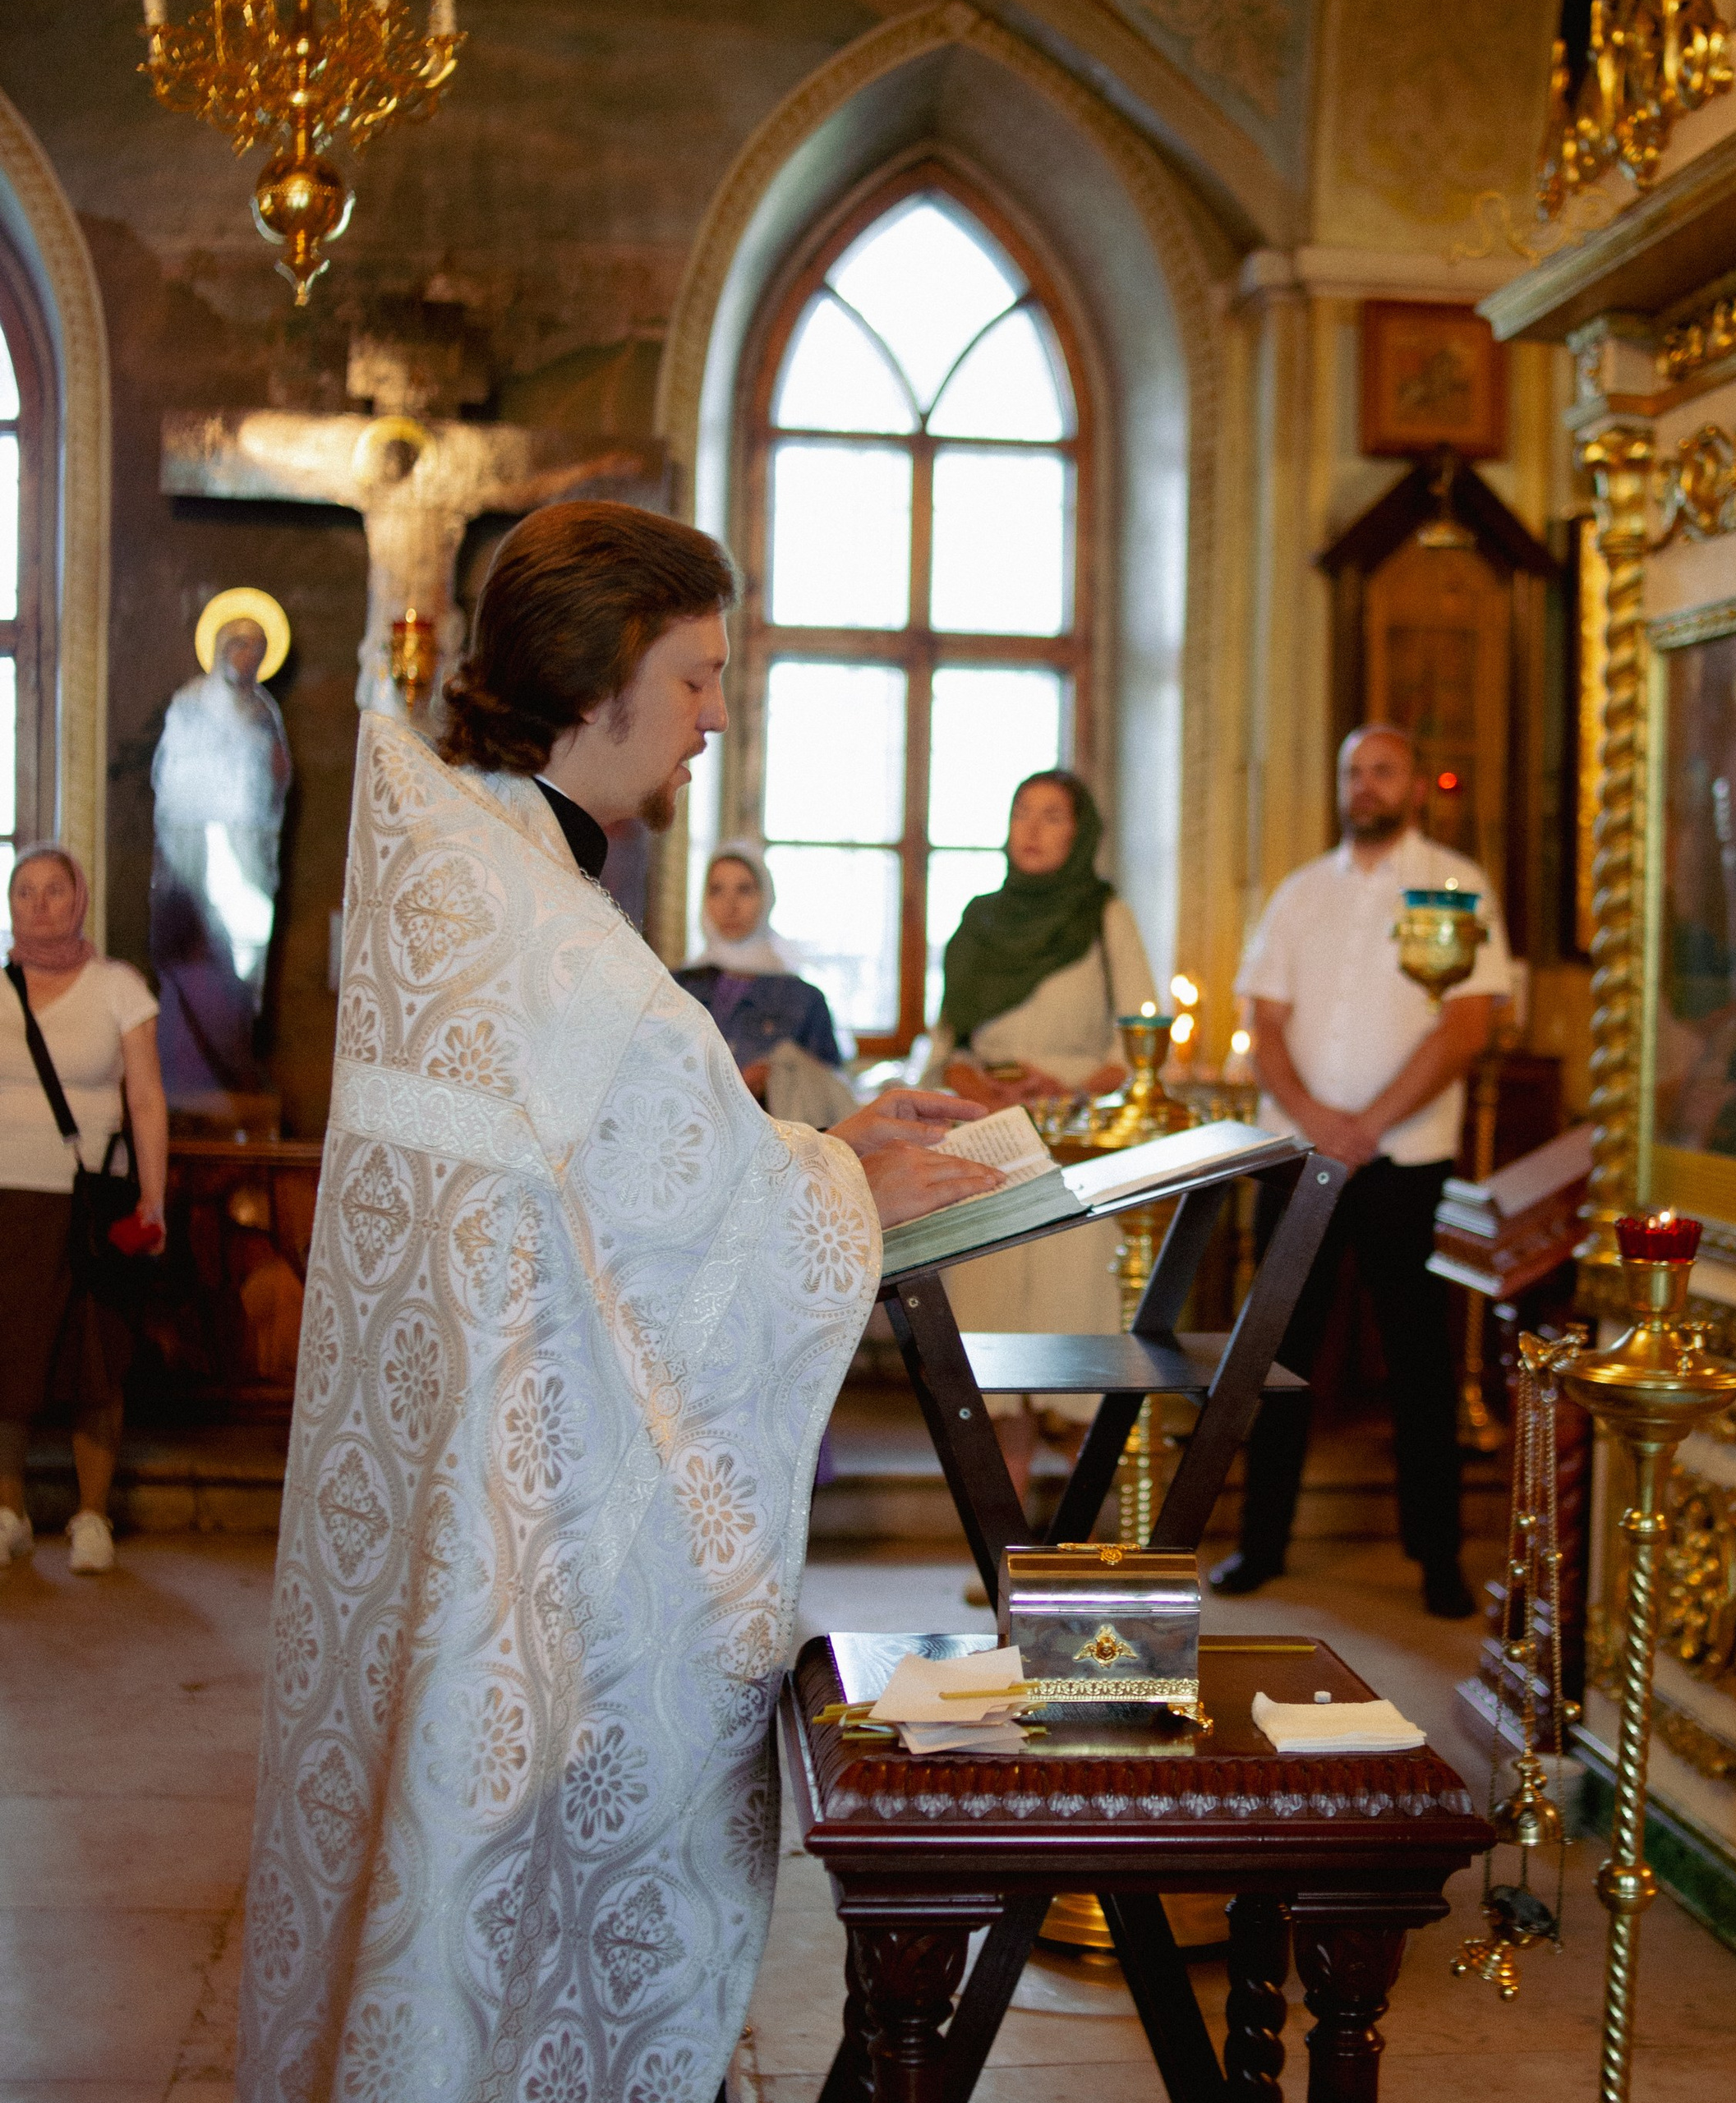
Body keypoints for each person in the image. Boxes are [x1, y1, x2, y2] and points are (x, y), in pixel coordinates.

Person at [234, 502, 1000, 2100]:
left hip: (489, 1493)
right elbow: (642, 1199)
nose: (718, 714)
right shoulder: (539, 918)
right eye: (700, 674)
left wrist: (828, 1147)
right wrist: (846, 1195)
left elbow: (622, 1160)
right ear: (600, 683)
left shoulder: (496, 867)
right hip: (527, 1525)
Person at [1209, 724, 1510, 1618]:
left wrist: (1367, 1126)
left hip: (1403, 1162)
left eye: (1382, 771)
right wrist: (1318, 1124)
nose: (1365, 785)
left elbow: (1467, 1026)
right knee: (1278, 1355)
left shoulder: (1455, 885)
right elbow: (1261, 1024)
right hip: (1300, 1158)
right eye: (1352, 772)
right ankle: (1260, 1544)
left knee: (1418, 1362)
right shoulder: (1300, 894)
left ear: (1415, 784)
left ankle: (1438, 1559)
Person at [925, 771, 1156, 1499]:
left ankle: (1100, 1540)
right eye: (1022, 812)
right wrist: (969, 1080)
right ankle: (1007, 1541)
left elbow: (1141, 1048)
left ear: (1080, 832)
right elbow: (946, 1045)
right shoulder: (979, 916)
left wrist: (1060, 1082)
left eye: (1052, 816)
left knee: (1069, 1334)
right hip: (986, 1150)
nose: (1031, 828)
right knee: (994, 1344)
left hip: (1073, 1153)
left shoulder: (1104, 915)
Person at [0, 844, 168, 1577]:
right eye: (23, 892)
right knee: (8, 1359)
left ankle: (91, 1516)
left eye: (53, 891)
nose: (39, 905)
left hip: (91, 1200)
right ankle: (7, 1512)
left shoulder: (117, 987)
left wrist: (154, 1198)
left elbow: (146, 1099)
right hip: (6, 1196)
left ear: (80, 900)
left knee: (95, 1359)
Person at [150, 612, 292, 1107]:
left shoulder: (264, 711)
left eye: (255, 649)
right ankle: (191, 1062)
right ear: (219, 650)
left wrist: (270, 773)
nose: (246, 657)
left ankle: (236, 1050)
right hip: (196, 844)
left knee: (242, 950)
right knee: (194, 951)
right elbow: (169, 778)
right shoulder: (190, 703)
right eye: (239, 646)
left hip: (247, 845)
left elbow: (277, 782)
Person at [674, 841, 845, 1096]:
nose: (730, 904)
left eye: (744, 890)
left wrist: (777, 1076)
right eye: (717, 890)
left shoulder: (803, 998)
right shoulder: (675, 986)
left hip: (777, 1130)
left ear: (765, 897)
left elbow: (832, 1088)